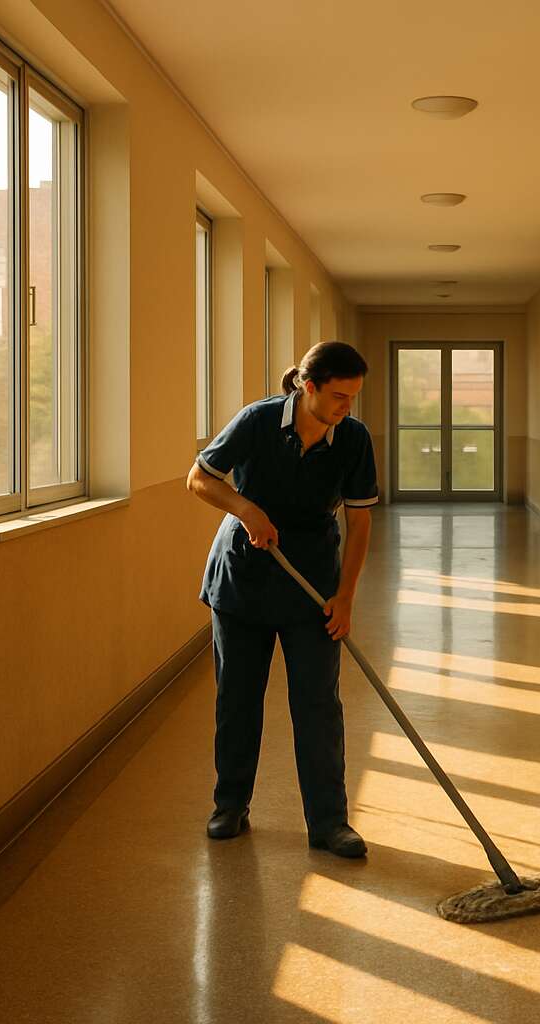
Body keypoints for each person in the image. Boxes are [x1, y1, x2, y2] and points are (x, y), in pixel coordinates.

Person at [186, 341, 377, 857]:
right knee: (238, 699)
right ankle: (230, 806)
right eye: (339, 396)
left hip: (312, 585)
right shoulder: (258, 421)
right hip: (243, 578)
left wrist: (345, 596)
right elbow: (199, 479)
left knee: (318, 704)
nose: (347, 408)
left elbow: (358, 521)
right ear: (308, 387)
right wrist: (246, 510)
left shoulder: (353, 439)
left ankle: (329, 823)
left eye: (353, 398)